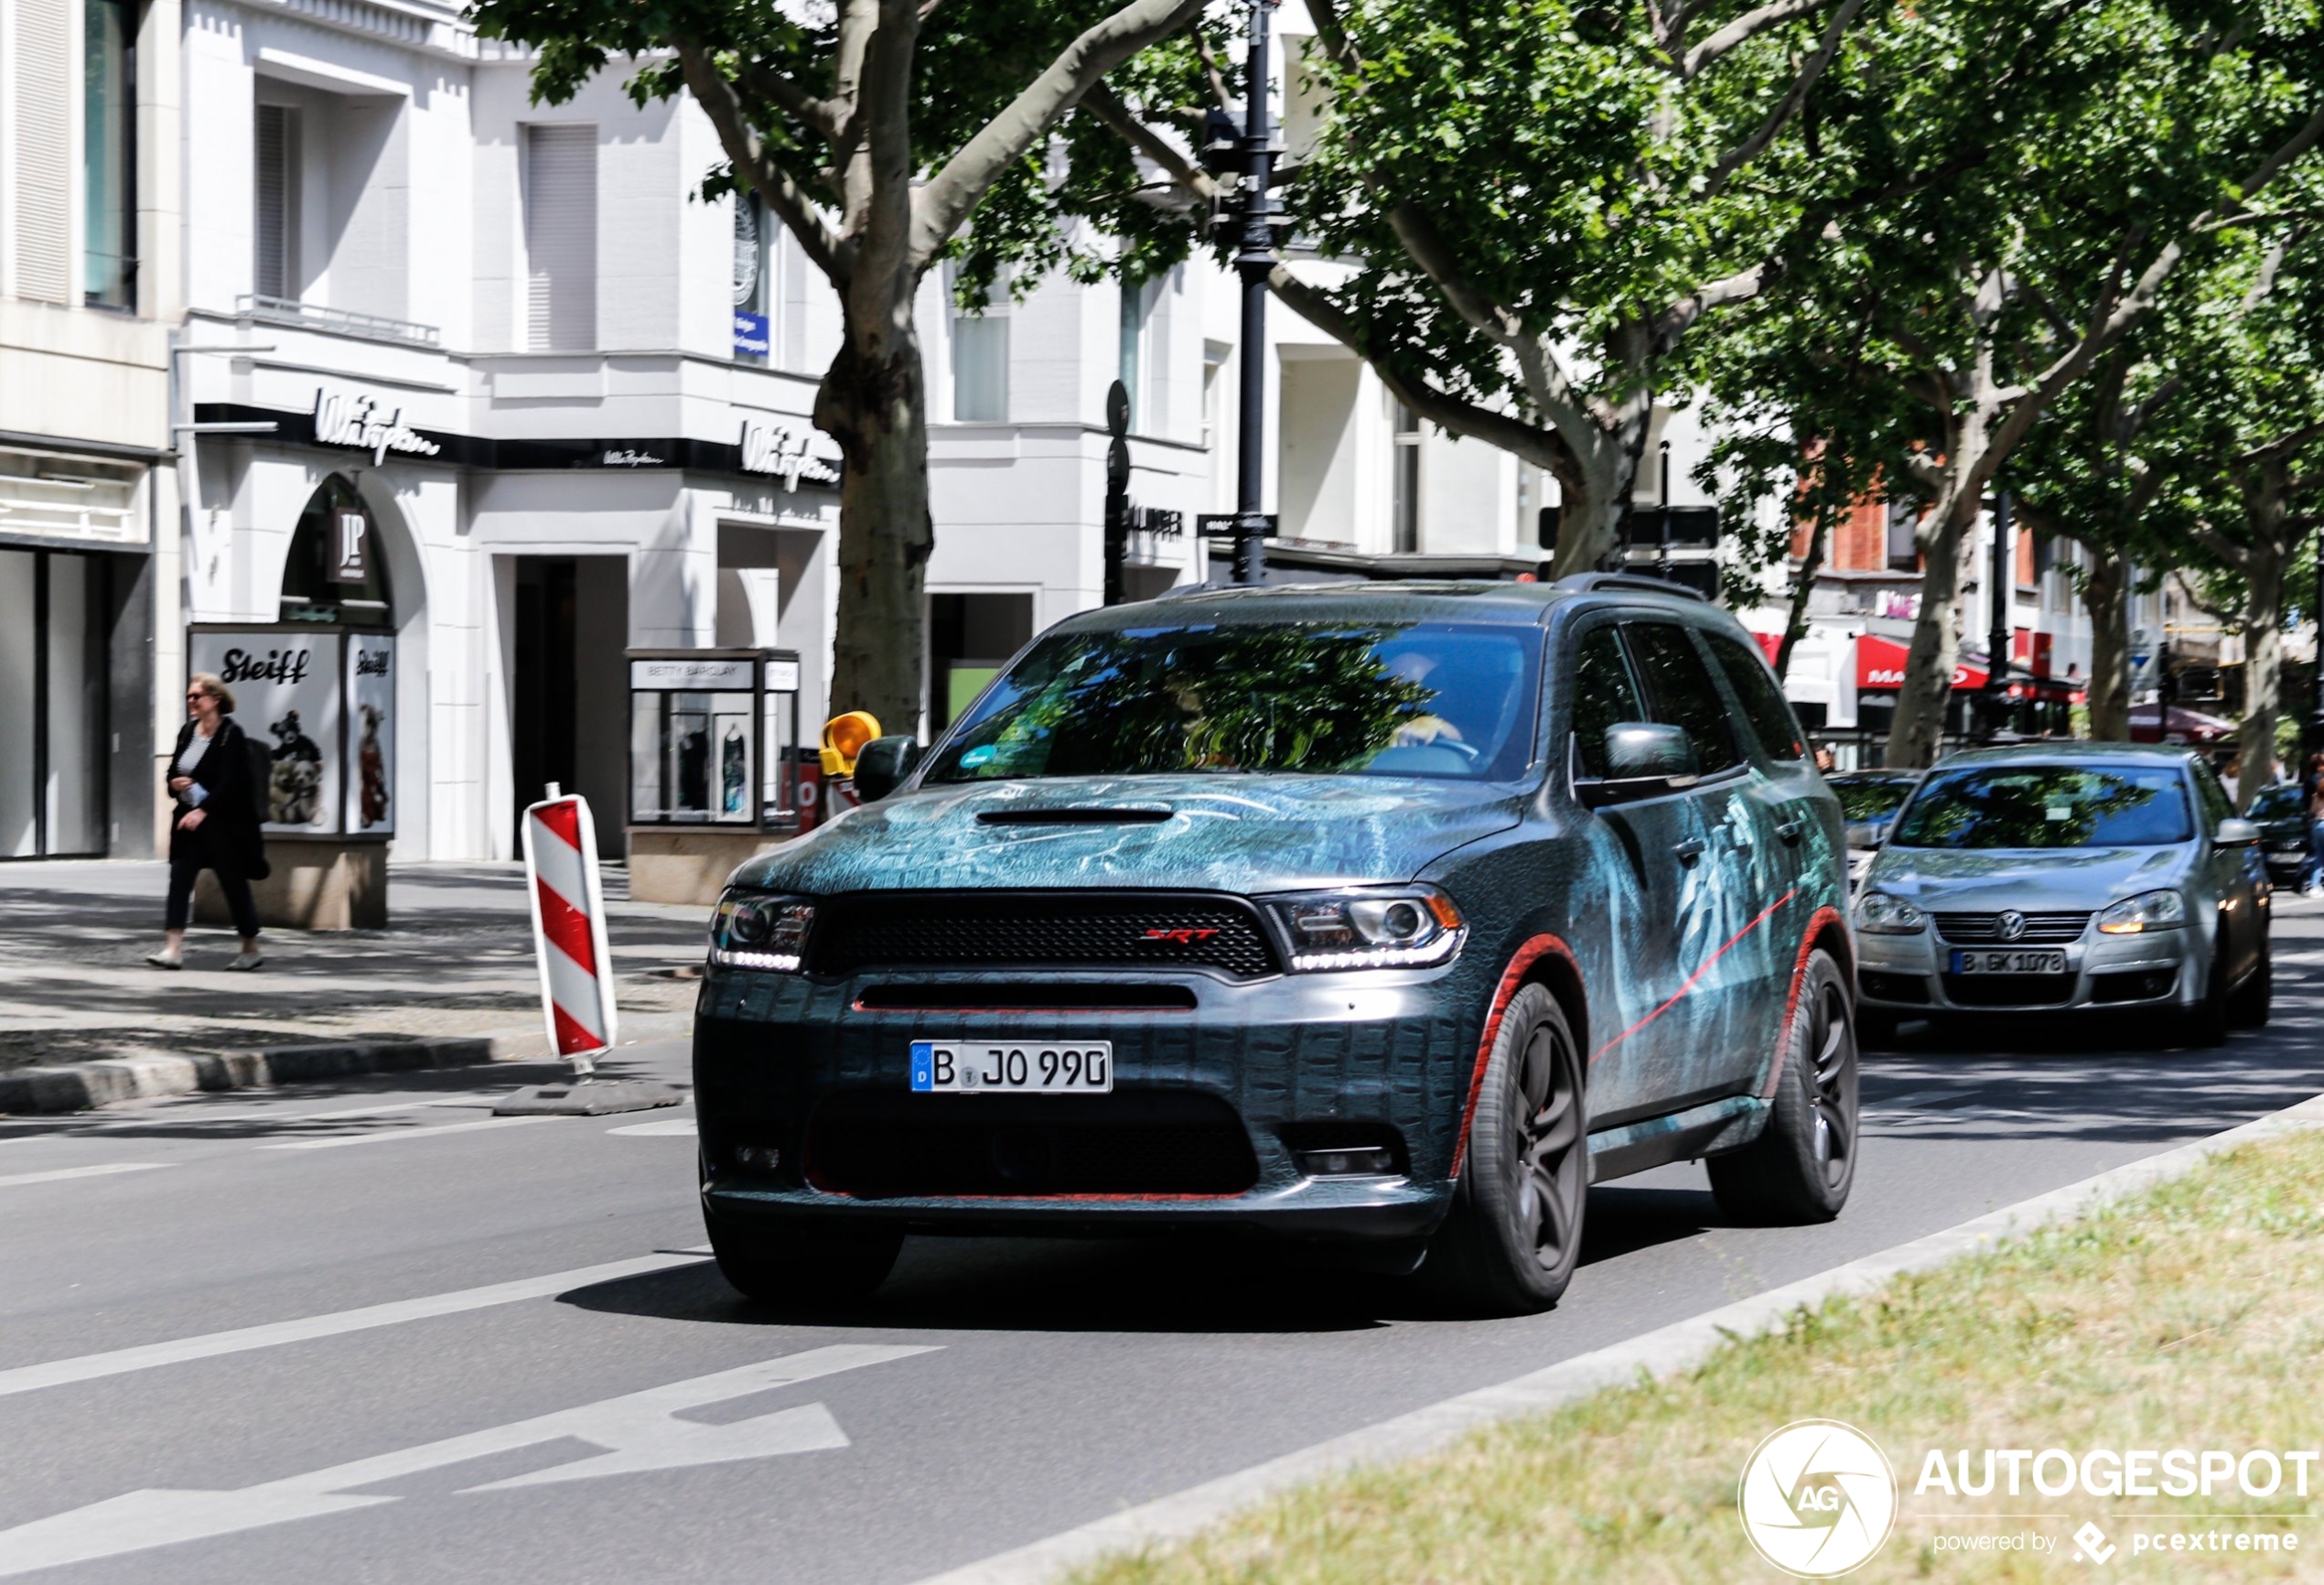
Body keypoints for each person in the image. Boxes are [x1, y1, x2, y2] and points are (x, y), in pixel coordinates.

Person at [149, 674, 268, 970]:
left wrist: (204, 811)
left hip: (222, 825)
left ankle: (251, 948)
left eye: (196, 696)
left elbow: (232, 783)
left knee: (233, 884)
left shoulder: (231, 734)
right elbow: (171, 772)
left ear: (214, 699)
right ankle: (172, 950)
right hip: (187, 824)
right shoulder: (188, 731)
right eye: (188, 696)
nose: (190, 701)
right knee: (179, 881)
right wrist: (174, 784)